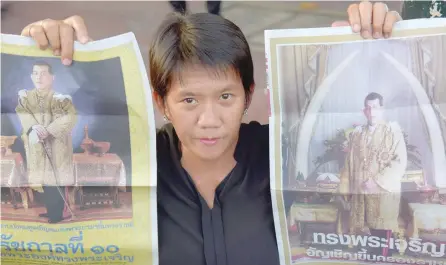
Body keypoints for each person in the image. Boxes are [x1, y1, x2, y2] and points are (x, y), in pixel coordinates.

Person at [19, 2, 402, 264]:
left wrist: (370, 36)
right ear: (161, 102)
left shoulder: (278, 157)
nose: (209, 119)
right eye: (188, 100)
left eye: (225, 96)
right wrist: (41, 47)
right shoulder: (140, 164)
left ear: (248, 95)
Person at [339, 92, 407, 256]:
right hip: (360, 193)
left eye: (375, 107)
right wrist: (345, 188)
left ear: (382, 109)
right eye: (368, 108)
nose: (372, 112)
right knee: (364, 240)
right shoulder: (356, 134)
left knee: (382, 244)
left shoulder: (393, 132)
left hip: (382, 193)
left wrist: (376, 182)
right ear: (364, 111)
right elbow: (349, 163)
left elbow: (400, 162)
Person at [15, 61, 77, 224]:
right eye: (35, 73)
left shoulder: (61, 98)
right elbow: (22, 113)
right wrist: (33, 127)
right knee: (43, 179)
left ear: (52, 77)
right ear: (31, 76)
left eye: (43, 73)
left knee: (55, 179)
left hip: (56, 145)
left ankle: (57, 214)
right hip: (37, 145)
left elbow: (70, 117)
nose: (39, 77)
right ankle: (50, 210)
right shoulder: (26, 97)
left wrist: (48, 130)